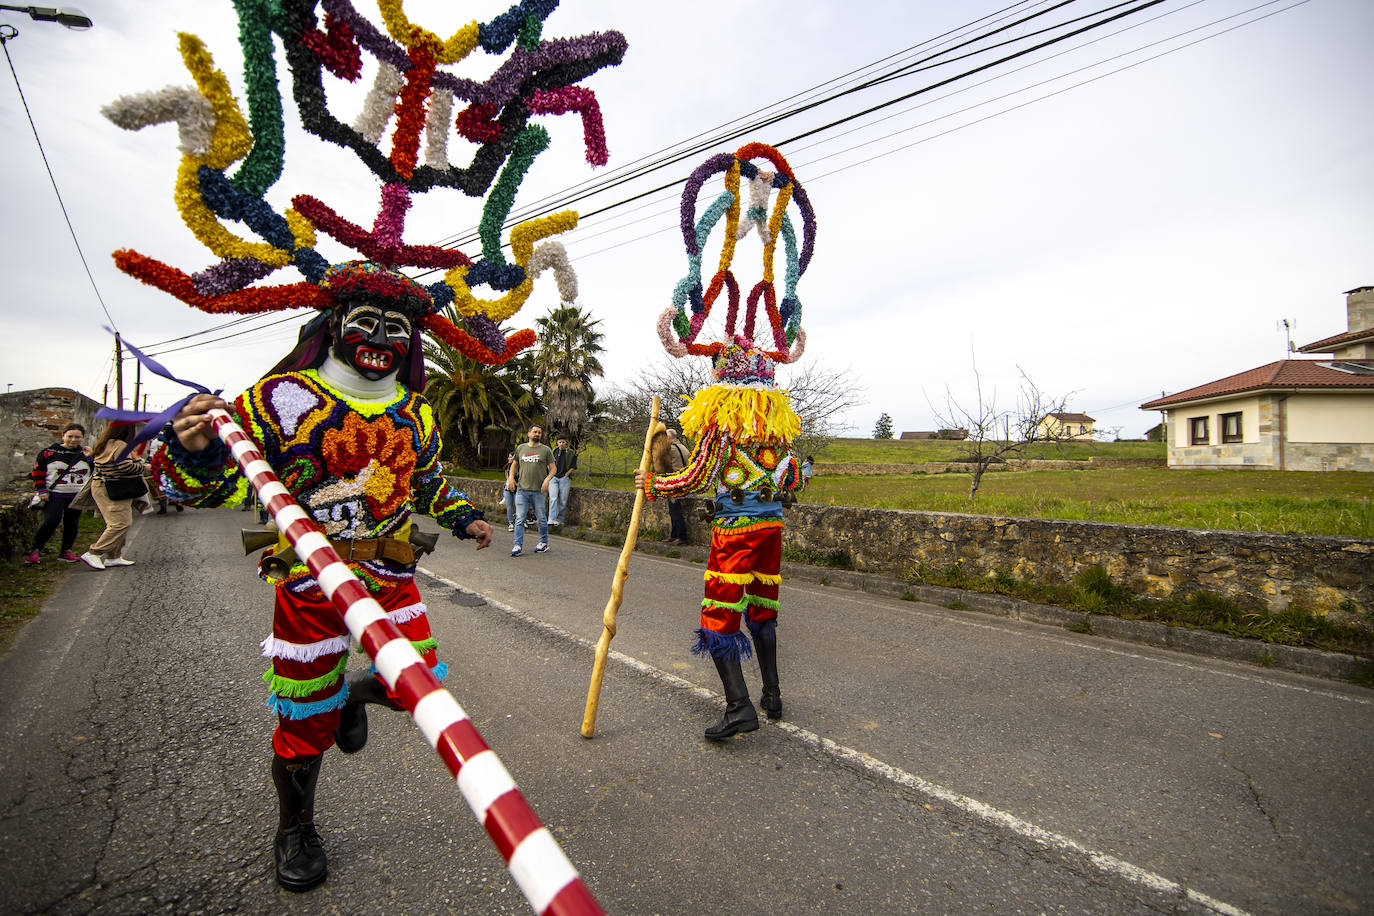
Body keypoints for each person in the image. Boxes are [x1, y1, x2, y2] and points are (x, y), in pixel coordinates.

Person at [157, 261, 494, 892]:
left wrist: (467, 517)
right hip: (309, 579)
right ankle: (295, 827)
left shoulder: (417, 413)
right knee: (303, 718)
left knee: (409, 688)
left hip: (391, 569)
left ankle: (350, 698)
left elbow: (427, 482)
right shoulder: (275, 400)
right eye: (365, 321)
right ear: (334, 324)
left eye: (396, 328)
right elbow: (212, 487)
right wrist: (194, 449)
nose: (381, 338)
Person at [638, 142, 816, 741]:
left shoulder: (723, 421)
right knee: (764, 610)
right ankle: (772, 694)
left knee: (721, 619)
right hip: (772, 528)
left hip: (736, 532)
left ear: (724, 380)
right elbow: (795, 477)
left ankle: (739, 707)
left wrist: (652, 483)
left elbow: (692, 479)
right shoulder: (775, 423)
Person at [81, 423, 148, 570]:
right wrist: (144, 467)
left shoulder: (106, 443)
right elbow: (125, 466)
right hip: (113, 486)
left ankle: (114, 556)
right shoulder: (120, 445)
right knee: (120, 523)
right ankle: (94, 552)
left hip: (105, 485)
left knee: (118, 520)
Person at [26, 423, 93, 565]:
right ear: (63, 436)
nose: (73, 440)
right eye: (70, 436)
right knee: (51, 521)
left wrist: (90, 457)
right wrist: (41, 490)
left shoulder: (84, 454)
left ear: (82, 438)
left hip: (76, 495)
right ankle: (36, 550)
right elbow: (38, 473)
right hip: (54, 495)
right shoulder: (48, 452)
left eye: (77, 437)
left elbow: (95, 472)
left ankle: (65, 552)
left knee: (72, 524)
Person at [506, 424, 555, 556]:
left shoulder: (546, 450)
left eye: (539, 432)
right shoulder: (521, 448)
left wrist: (547, 479)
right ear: (529, 434)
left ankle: (543, 542)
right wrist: (511, 478)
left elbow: (553, 468)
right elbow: (514, 465)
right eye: (535, 432)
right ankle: (517, 545)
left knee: (541, 518)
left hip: (538, 491)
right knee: (520, 518)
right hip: (522, 490)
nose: (537, 434)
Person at [650, 427, 690, 546]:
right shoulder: (683, 447)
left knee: (674, 510)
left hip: (674, 482)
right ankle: (674, 535)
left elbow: (663, 465)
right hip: (685, 481)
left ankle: (680, 536)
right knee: (674, 510)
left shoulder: (670, 449)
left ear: (669, 438)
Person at [547, 434, 577, 527]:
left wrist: (566, 474)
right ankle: (551, 518)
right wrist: (551, 473)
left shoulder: (571, 453)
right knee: (553, 497)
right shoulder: (553, 452)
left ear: (566, 443)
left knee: (563, 500)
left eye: (563, 442)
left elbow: (573, 466)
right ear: (557, 443)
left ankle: (559, 519)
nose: (561, 444)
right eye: (560, 442)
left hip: (564, 478)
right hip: (554, 478)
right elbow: (548, 463)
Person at [500, 451, 518, 531]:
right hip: (508, 489)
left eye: (511, 457)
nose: (509, 458)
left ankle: (519, 522)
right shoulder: (507, 467)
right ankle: (511, 523)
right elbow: (507, 478)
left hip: (517, 489)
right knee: (509, 507)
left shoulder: (519, 467)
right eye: (509, 457)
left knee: (518, 506)